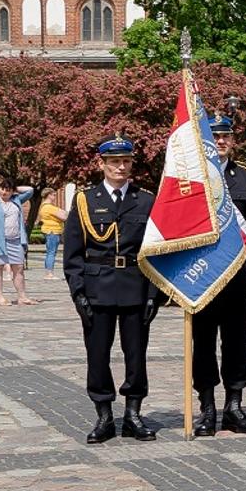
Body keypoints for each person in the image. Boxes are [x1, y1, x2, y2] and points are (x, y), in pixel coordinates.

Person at [63, 136, 164, 443]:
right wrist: (78, 291)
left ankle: (133, 414)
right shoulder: (85, 200)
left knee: (136, 355)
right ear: (102, 164)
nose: (121, 167)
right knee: (97, 354)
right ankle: (104, 415)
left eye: (126, 161)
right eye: (115, 162)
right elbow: (73, 253)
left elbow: (156, 251)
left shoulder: (145, 200)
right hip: (97, 288)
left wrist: (153, 295)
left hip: (135, 286)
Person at [191, 115, 246, 437]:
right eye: (215, 136)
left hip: (237, 274)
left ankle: (234, 406)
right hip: (203, 275)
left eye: (226, 136)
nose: (221, 141)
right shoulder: (193, 179)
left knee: (237, 343)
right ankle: (207, 407)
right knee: (204, 343)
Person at [0, 179, 37, 306]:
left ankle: (22, 297)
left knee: (19, 267)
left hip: (15, 240)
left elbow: (30, 190)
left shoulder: (16, 200)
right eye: (3, 189)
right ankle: (0, 297)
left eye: (8, 190)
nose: (5, 192)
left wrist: (15, 188)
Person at [39, 191, 66, 280]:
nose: (55, 196)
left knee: (50, 252)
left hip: (49, 231)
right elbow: (64, 217)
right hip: (52, 231)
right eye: (53, 195)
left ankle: (48, 272)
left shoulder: (43, 206)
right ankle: (49, 274)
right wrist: (62, 212)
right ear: (49, 195)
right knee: (51, 252)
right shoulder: (49, 207)